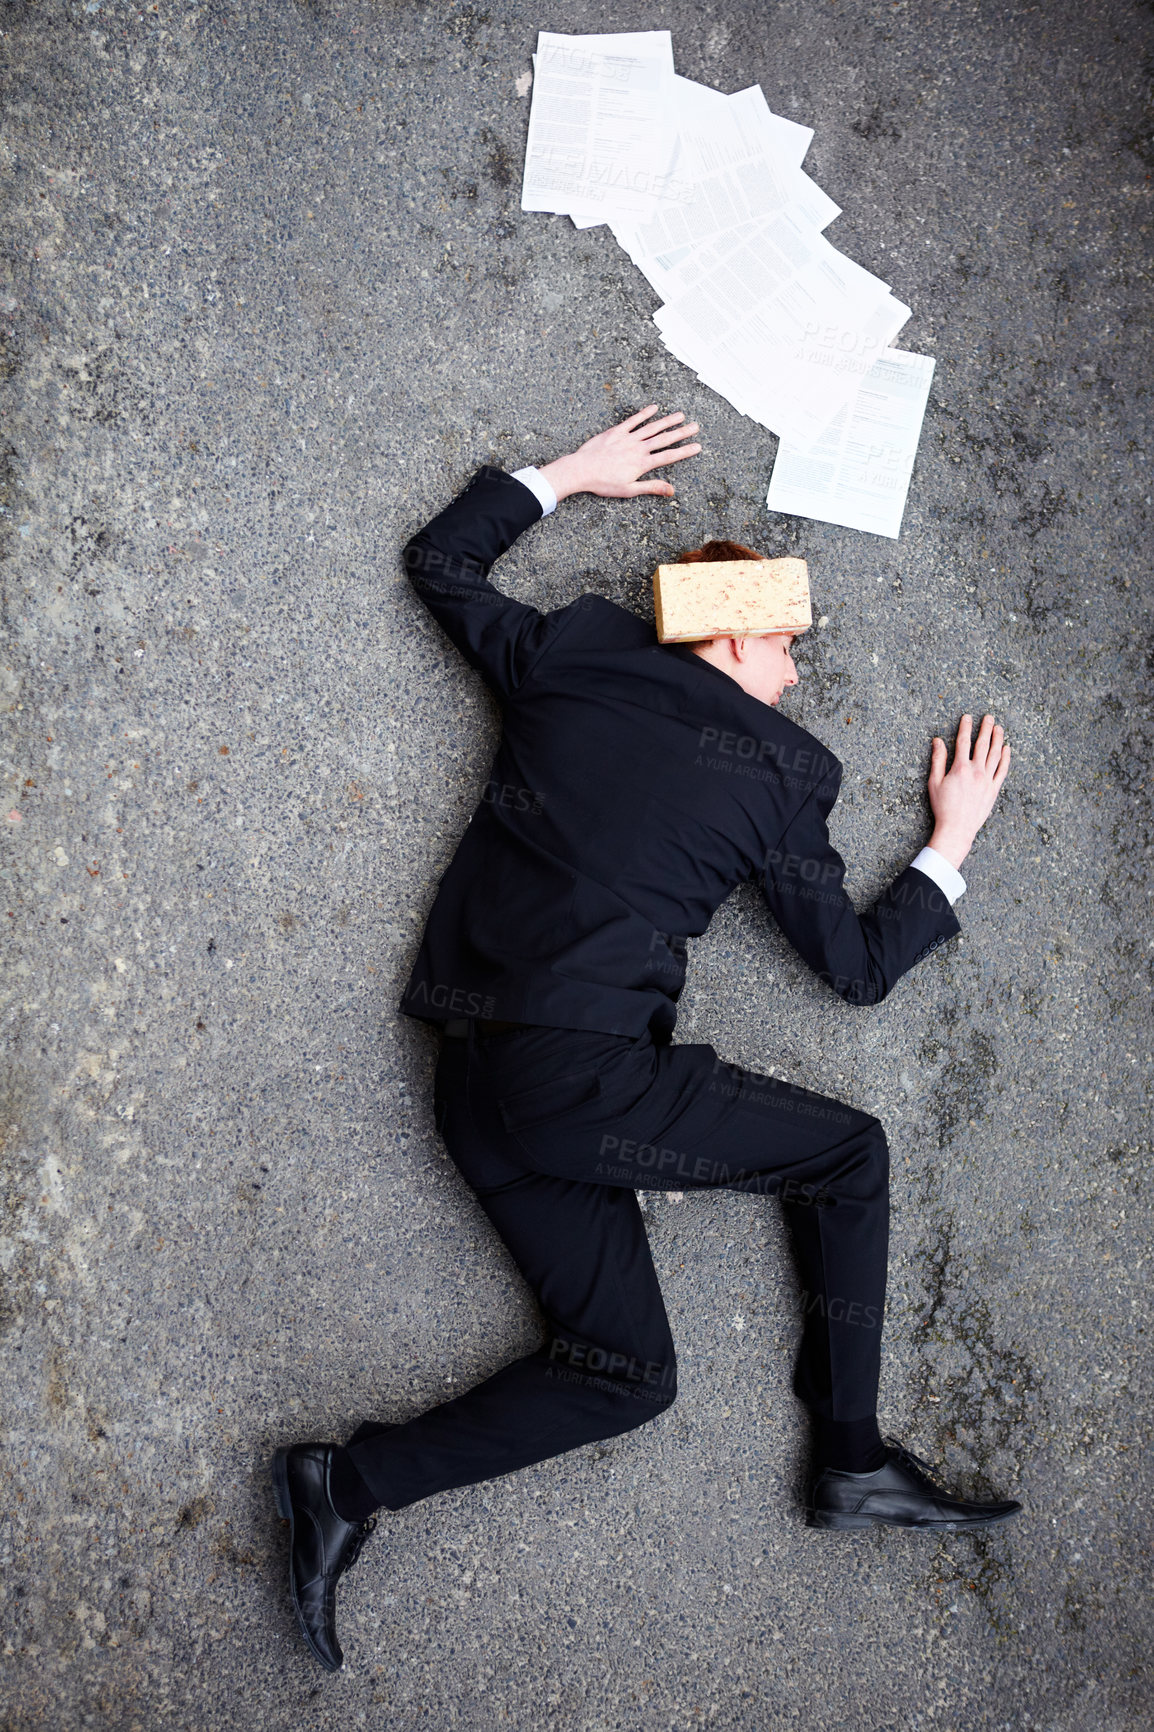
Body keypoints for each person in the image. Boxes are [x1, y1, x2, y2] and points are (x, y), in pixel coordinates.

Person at [272, 407, 1019, 1672]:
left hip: (480, 1085)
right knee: (851, 1156)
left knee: (626, 1371)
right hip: (574, 1081)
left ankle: (343, 1484)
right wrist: (948, 841)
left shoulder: (570, 652)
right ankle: (847, 1461)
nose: (793, 671)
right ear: (729, 632)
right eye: (785, 644)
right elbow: (852, 969)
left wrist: (565, 476)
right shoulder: (782, 768)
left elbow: (439, 565)